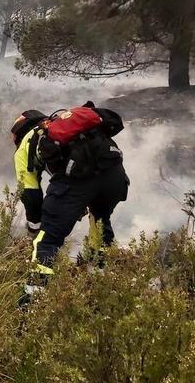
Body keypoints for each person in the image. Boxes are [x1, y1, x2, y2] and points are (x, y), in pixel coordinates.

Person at [11, 102, 129, 304]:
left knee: (47, 240)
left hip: (80, 180)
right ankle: (99, 287)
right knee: (99, 223)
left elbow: (29, 191)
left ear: (21, 132)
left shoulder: (29, 142)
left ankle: (32, 303)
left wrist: (35, 227)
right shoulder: (68, 126)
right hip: (115, 177)